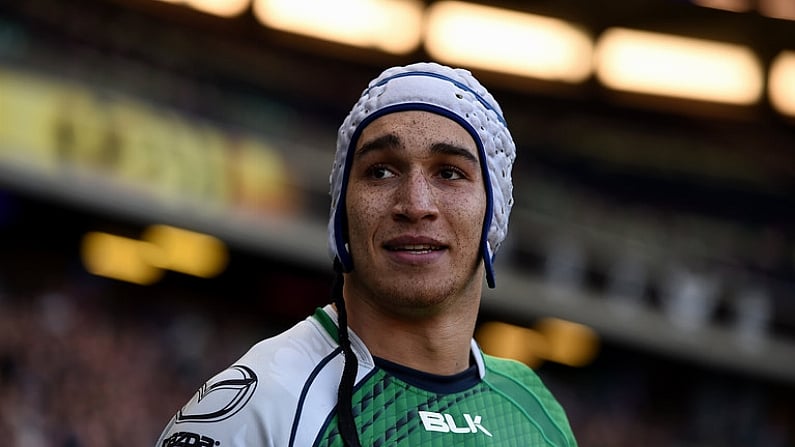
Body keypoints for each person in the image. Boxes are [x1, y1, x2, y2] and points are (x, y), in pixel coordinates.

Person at [156, 62, 577, 447]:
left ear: (494, 209)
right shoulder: (260, 407)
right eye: (381, 171)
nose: (415, 204)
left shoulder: (535, 409)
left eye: (450, 173)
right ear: (342, 209)